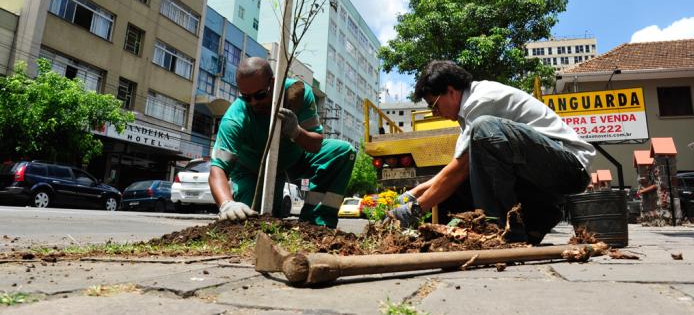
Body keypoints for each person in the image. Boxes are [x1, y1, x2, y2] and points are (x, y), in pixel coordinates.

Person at [390, 60, 594, 244]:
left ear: (451, 91)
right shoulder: (466, 114)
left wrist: (414, 210)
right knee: (458, 182)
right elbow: (453, 171)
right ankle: (539, 216)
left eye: (434, 105)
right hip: (543, 174)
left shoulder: (480, 100)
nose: (435, 113)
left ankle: (502, 230)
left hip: (570, 167)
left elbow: (458, 170)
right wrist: (411, 194)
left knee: (483, 129)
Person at [209, 57, 355, 228]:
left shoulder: (299, 93)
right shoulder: (235, 118)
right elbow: (217, 169)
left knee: (343, 151)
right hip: (252, 171)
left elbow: (315, 145)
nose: (254, 102)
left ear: (274, 82)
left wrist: (296, 132)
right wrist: (227, 204)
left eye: (260, 95)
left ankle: (316, 223)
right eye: (246, 97)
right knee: (252, 222)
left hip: (295, 158)